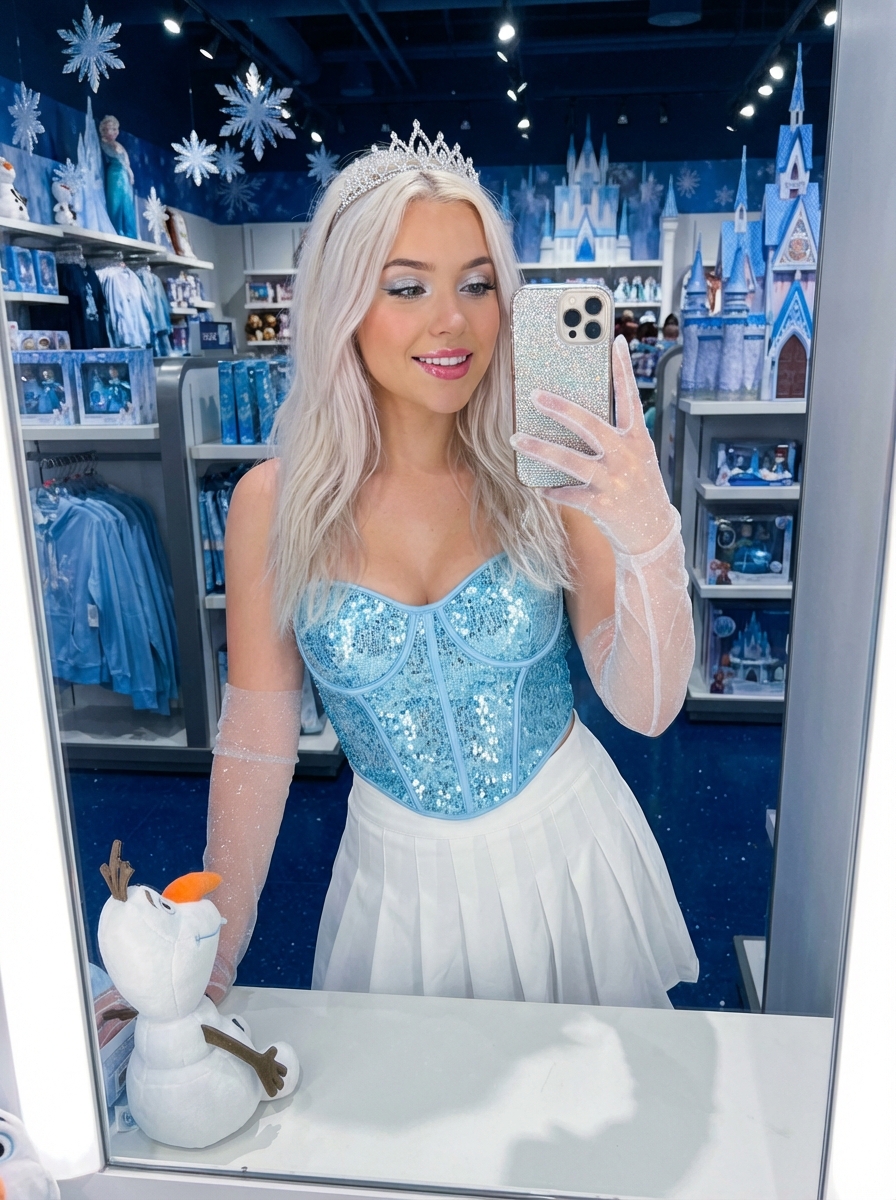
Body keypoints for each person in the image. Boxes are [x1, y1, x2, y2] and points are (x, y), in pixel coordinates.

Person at [204, 124, 698, 1011]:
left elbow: (647, 707)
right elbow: (258, 738)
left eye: (477, 284)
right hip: (398, 895)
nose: (454, 321)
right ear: (343, 305)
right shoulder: (272, 507)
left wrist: (648, 536)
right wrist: (209, 955)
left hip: (569, 864)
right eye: (407, 287)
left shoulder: (544, 474)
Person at [99, 115, 138, 240]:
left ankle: (129, 231)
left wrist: (130, 173)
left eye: (113, 129)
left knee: (126, 202)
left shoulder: (118, 145)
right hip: (115, 175)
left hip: (124, 176)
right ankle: (117, 229)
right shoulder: (105, 143)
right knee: (115, 201)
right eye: (107, 129)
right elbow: (116, 157)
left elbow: (126, 162)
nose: (110, 132)